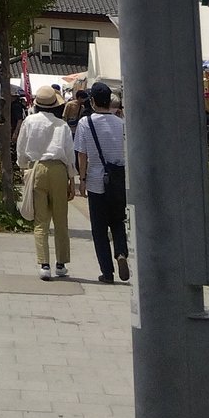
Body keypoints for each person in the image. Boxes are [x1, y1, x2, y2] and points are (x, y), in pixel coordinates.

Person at [16, 85, 77, 281]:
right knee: (61, 219)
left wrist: (23, 168)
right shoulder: (62, 125)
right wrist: (71, 179)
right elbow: (69, 154)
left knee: (40, 220)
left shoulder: (29, 121)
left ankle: (44, 264)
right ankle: (61, 264)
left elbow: (21, 148)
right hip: (59, 169)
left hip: (37, 169)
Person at [75, 81, 130, 285]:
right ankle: (121, 253)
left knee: (99, 229)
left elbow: (82, 154)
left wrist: (82, 180)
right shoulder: (121, 123)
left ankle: (107, 272)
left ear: (92, 101)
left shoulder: (85, 123)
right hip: (118, 181)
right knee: (118, 221)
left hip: (96, 181)